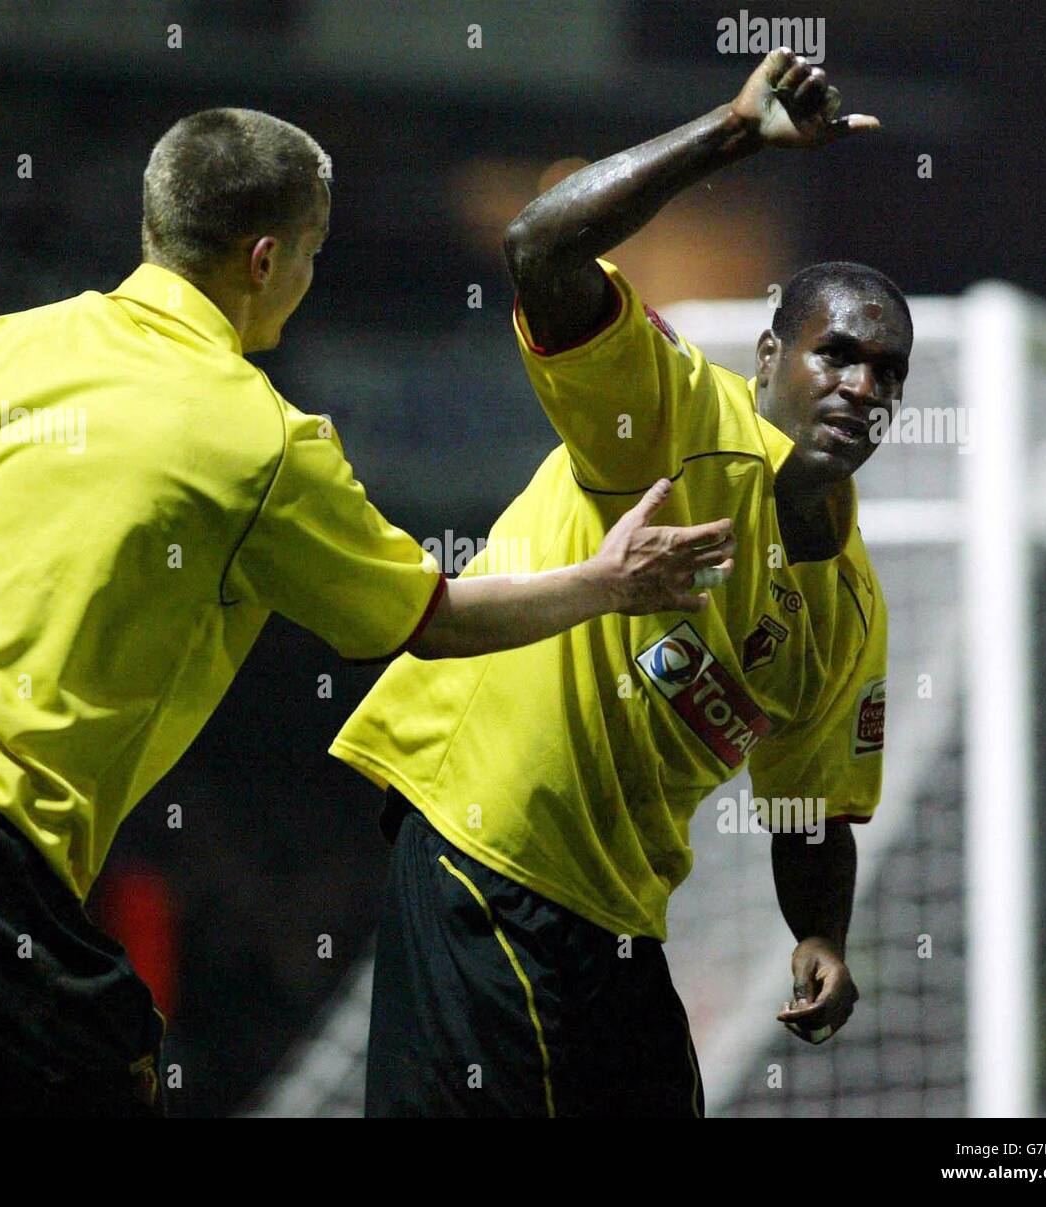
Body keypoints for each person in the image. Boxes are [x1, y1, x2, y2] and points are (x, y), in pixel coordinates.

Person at [0, 108, 735, 1117]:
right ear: (264, 259)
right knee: (105, 1078)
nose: (308, 278)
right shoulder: (260, 441)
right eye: (310, 253)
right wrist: (606, 582)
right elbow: (433, 617)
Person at [331, 49, 911, 1116]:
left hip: (618, 915)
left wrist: (819, 931)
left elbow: (808, 801)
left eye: (886, 373)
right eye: (835, 354)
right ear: (767, 357)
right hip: (482, 846)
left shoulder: (850, 609)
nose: (860, 385)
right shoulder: (673, 413)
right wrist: (732, 132)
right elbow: (538, 243)